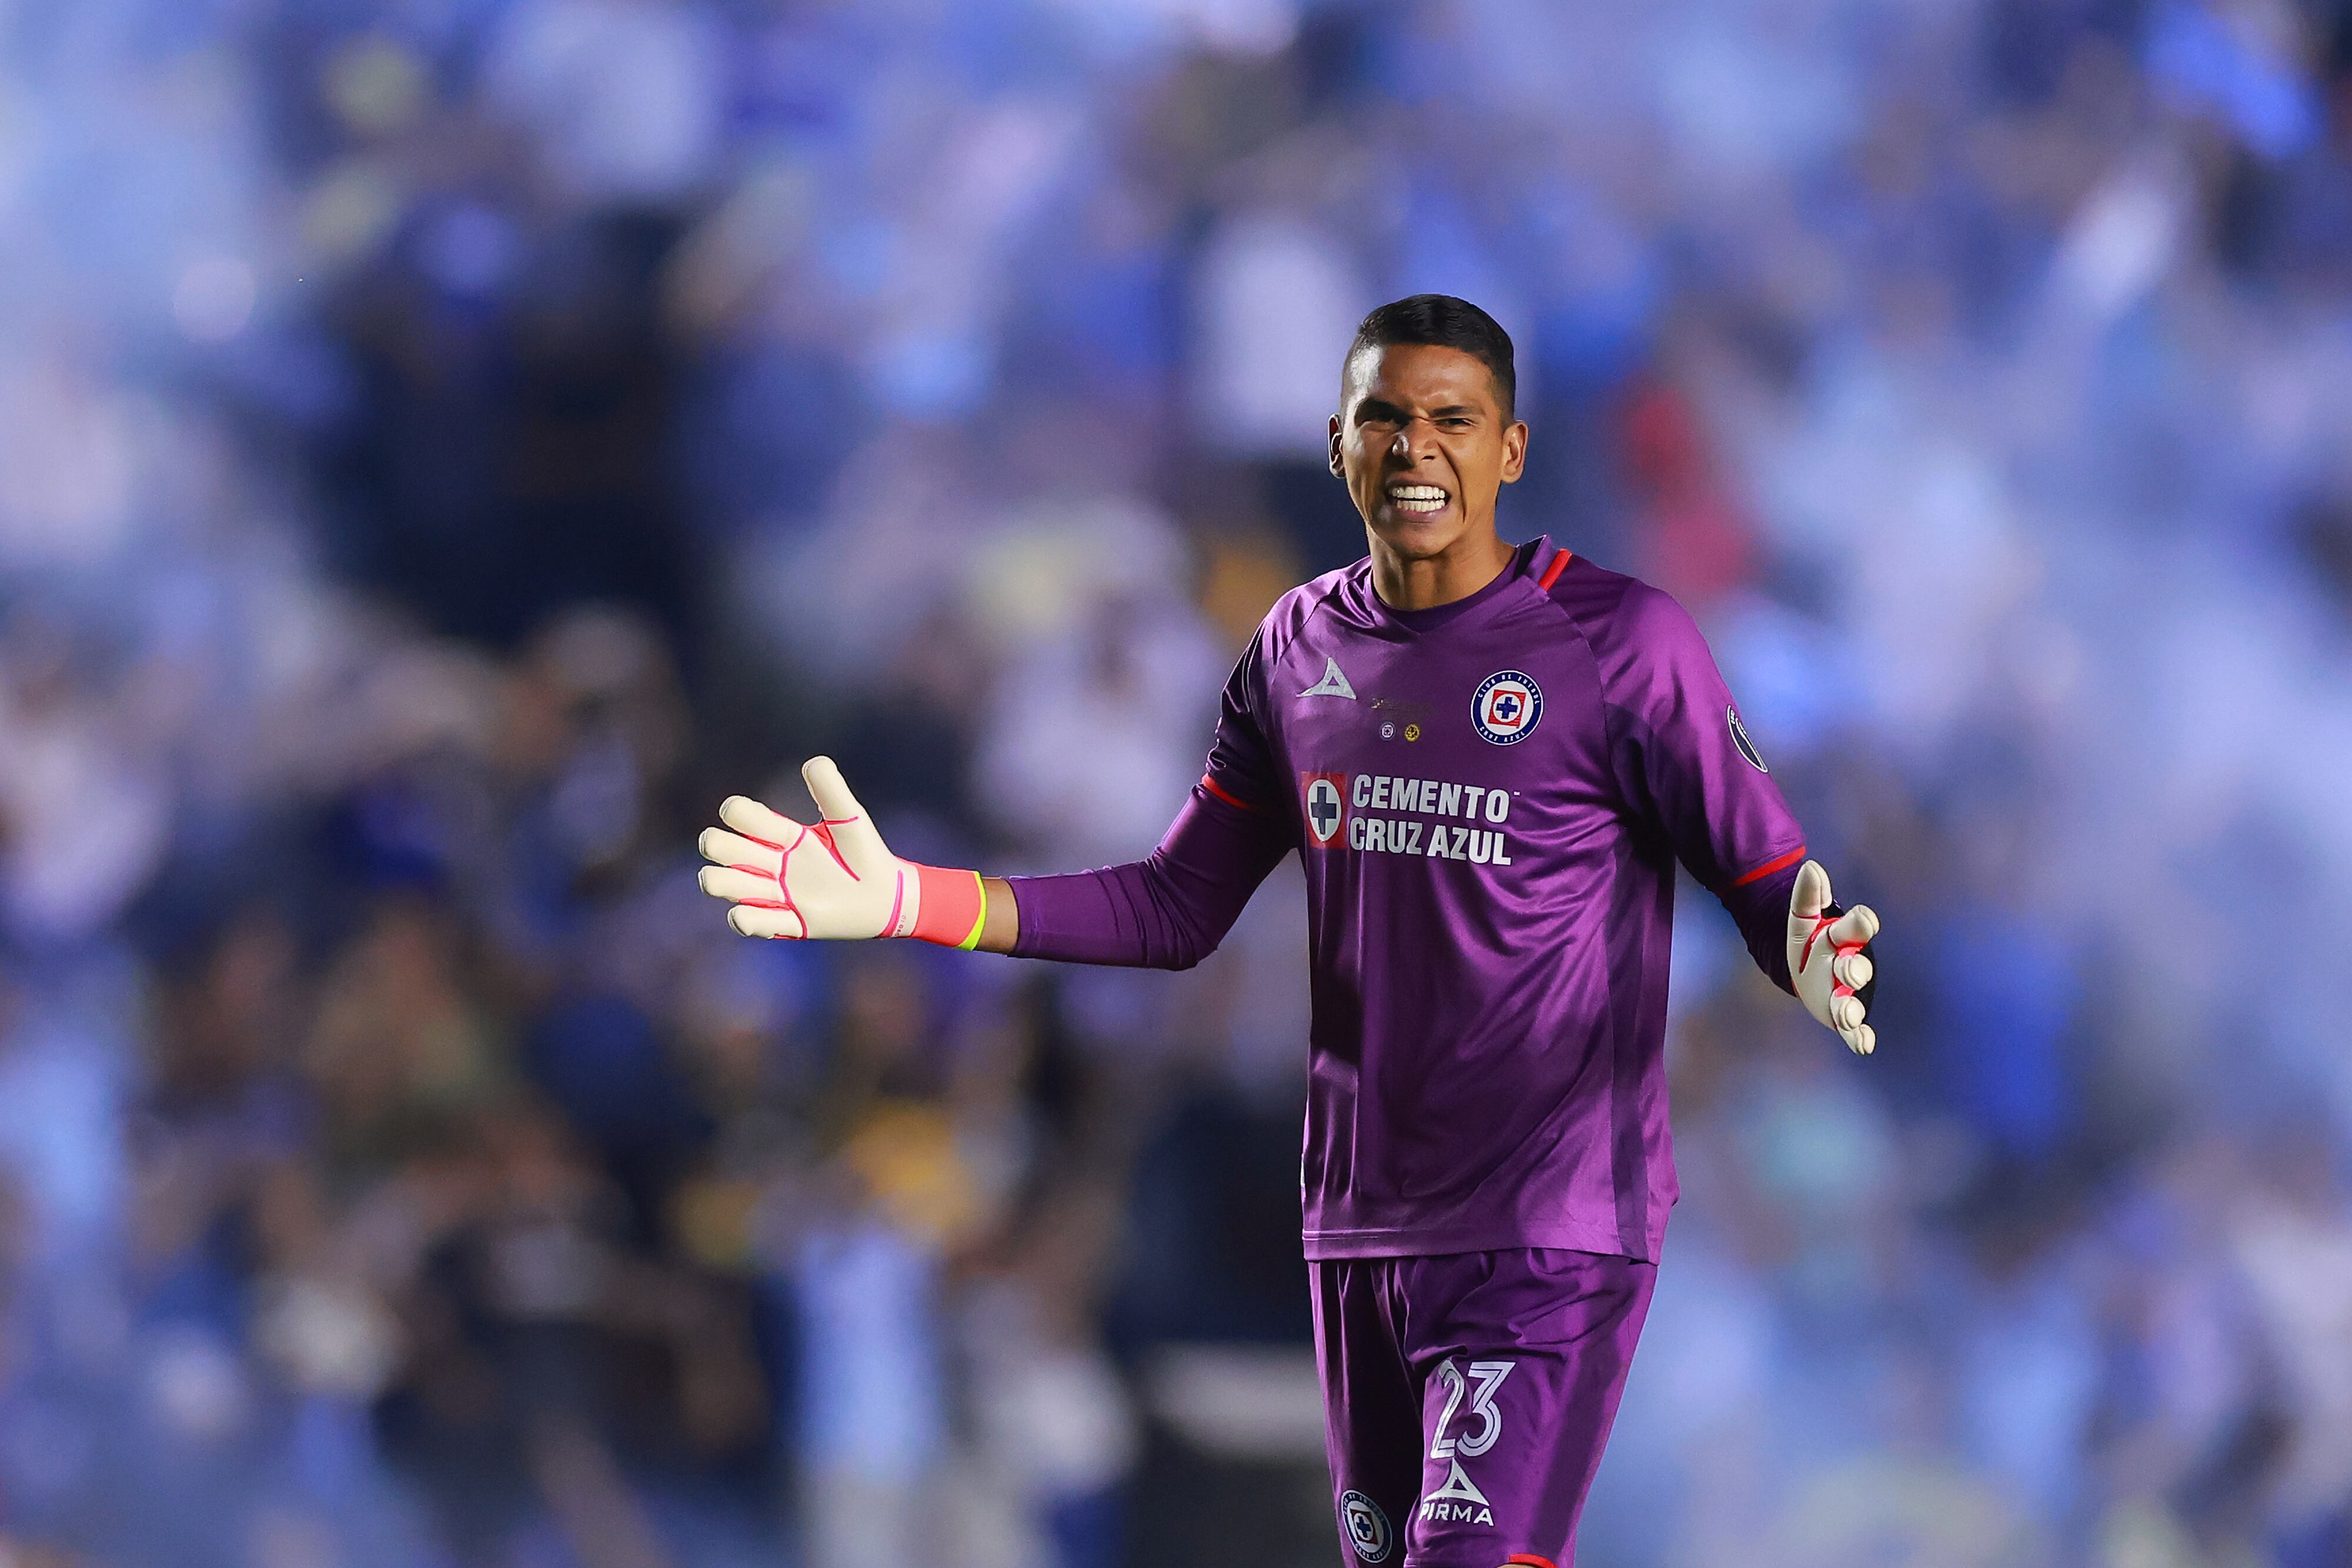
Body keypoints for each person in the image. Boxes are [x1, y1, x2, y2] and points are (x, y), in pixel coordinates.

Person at [696, 295, 1880, 1568]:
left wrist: (1793, 946)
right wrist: (911, 899)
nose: (1415, 450)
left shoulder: (1621, 644)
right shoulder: (1294, 652)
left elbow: (1758, 859)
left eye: (1452, 420)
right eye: (1385, 419)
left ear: (1511, 449)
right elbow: (1169, 905)